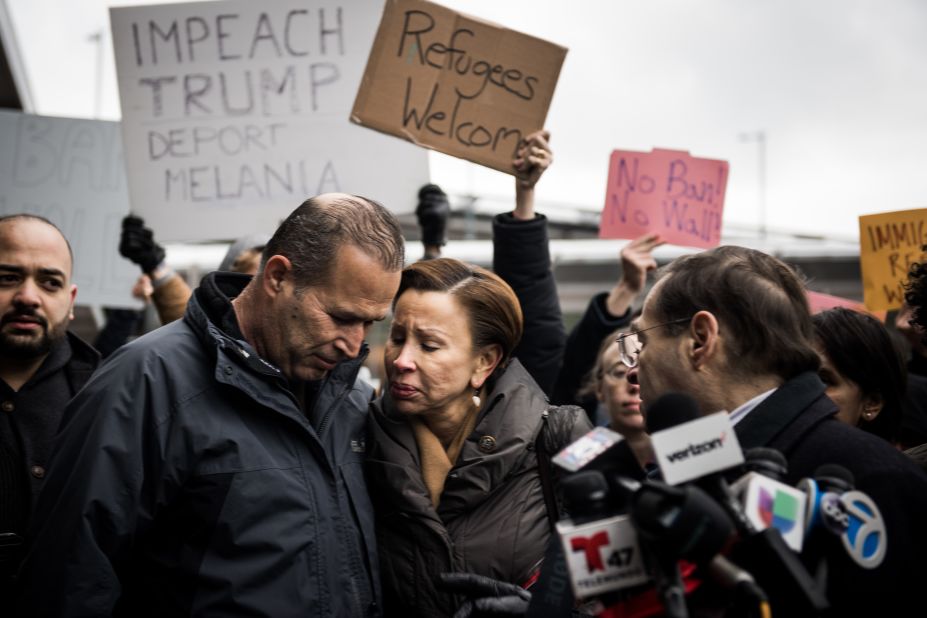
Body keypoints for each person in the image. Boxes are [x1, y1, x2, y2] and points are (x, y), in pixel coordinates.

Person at [15, 194, 405, 617]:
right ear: (276, 277)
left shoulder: (352, 398)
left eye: (370, 323)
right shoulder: (144, 383)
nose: (354, 345)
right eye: (341, 317)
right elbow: (69, 581)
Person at [624, 245, 927, 615]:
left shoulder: (875, 480)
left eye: (641, 341)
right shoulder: (686, 464)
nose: (632, 369)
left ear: (701, 340)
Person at [365, 258, 592, 617]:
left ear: (484, 362)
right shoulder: (359, 439)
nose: (401, 360)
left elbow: (620, 591)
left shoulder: (563, 438)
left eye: (429, 345)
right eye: (397, 337)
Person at [0, 215, 100, 591]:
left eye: (49, 282)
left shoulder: (109, 398)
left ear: (70, 301)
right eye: (7, 278)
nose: (28, 297)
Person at [812, 307, 906, 445]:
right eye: (793, 375)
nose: (802, 390)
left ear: (872, 403)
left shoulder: (891, 466)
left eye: (824, 380)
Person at [576, 330, 653, 472]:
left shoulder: (690, 450)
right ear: (599, 388)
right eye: (619, 373)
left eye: (646, 370)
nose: (634, 385)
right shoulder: (578, 458)